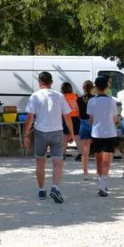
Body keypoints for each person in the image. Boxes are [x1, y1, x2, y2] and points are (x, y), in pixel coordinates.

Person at [23, 71, 74, 204]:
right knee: (58, 162)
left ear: (40, 83)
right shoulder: (59, 96)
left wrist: (26, 135)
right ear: (51, 82)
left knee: (40, 162)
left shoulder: (35, 96)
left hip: (40, 131)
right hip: (57, 131)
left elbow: (30, 118)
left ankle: (41, 190)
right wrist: (72, 133)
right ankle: (55, 187)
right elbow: (67, 116)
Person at [87, 76, 118, 197]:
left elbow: (90, 119)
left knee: (98, 159)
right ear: (107, 86)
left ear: (95, 86)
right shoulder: (112, 101)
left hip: (96, 133)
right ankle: (103, 183)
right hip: (110, 132)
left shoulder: (91, 101)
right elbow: (115, 119)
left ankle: (101, 182)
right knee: (107, 160)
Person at [77, 80, 95, 180]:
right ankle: (98, 172)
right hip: (94, 123)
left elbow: (78, 112)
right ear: (92, 88)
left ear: (83, 88)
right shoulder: (94, 99)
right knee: (97, 150)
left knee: (85, 151)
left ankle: (85, 173)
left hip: (83, 123)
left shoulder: (79, 99)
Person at [61, 82, 80, 157]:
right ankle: (81, 153)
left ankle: (63, 154)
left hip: (66, 117)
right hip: (75, 117)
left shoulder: (62, 97)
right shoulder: (75, 95)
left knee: (64, 137)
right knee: (77, 137)